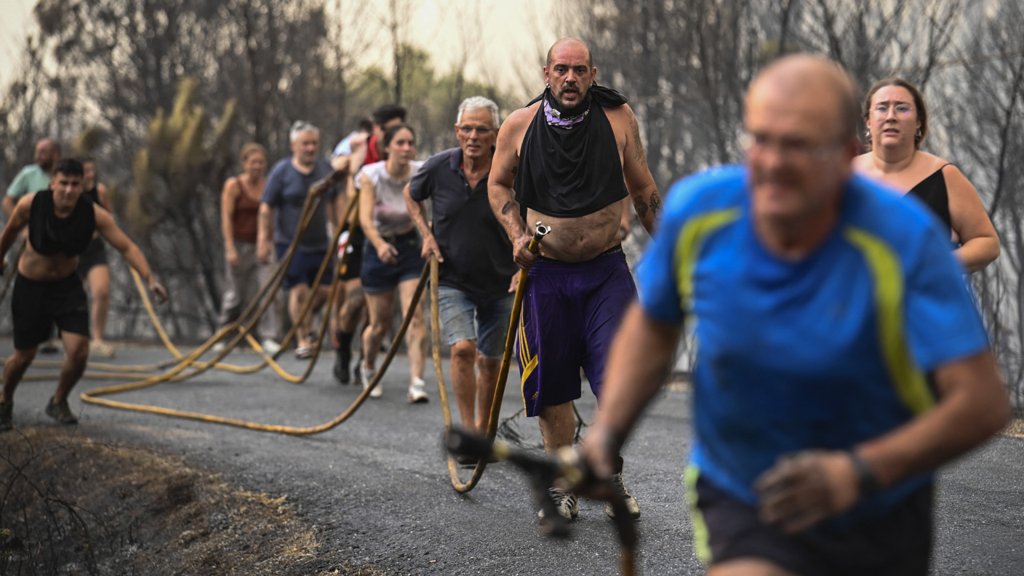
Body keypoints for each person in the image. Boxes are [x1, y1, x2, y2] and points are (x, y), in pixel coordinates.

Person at [580, 54, 1010, 576]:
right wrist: (606, 433)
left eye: (799, 145)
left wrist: (857, 472)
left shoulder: (903, 238)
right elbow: (654, 327)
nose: (774, 162)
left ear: (846, 155)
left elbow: (981, 404)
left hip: (877, 508)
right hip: (747, 493)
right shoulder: (702, 213)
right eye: (761, 139)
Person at [488, 37, 661, 521]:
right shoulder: (519, 125)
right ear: (546, 74)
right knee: (553, 385)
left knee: (619, 379)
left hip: (606, 271)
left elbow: (644, 189)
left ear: (593, 74)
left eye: (579, 70)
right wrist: (516, 235)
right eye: (561, 69)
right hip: (546, 273)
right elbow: (497, 184)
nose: (570, 78)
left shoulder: (619, 118)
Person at [0, 159, 168, 432]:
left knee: (79, 351)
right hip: (31, 286)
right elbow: (8, 234)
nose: (68, 190)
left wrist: (150, 278)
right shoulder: (31, 205)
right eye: (63, 183)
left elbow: (126, 247)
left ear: (82, 186)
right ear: (53, 183)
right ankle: (5, 400)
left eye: (75, 185)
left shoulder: (93, 214)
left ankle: (58, 400)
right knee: (24, 355)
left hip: (66, 286)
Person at [405, 96, 517, 439]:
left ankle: (484, 431)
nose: (473, 136)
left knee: (491, 361)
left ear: (496, 133)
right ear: (456, 131)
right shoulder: (439, 167)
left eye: (482, 129)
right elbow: (411, 195)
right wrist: (426, 235)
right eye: (467, 128)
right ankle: (468, 435)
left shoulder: (511, 170)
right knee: (463, 349)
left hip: (502, 281)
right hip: (451, 277)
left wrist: (522, 262)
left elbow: (533, 213)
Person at [853, 77, 999, 273]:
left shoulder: (943, 175)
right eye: (882, 108)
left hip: (927, 291)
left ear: (918, 122)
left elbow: (987, 243)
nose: (891, 116)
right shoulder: (843, 176)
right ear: (868, 122)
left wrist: (936, 263)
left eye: (902, 108)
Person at [357, 123, 428, 403]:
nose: (406, 148)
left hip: (409, 246)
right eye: (400, 143)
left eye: (410, 143)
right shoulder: (371, 175)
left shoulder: (420, 172)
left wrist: (428, 236)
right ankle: (368, 367)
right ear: (387, 147)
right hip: (378, 247)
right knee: (379, 324)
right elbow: (365, 219)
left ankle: (417, 382)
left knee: (415, 315)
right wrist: (379, 245)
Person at [257, 121, 340, 359]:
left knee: (325, 291)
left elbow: (333, 202)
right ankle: (303, 339)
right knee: (299, 290)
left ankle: (304, 319)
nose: (310, 148)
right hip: (291, 243)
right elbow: (266, 207)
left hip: (320, 243)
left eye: (314, 143)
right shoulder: (282, 171)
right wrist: (264, 240)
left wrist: (337, 233)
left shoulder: (325, 169)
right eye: (305, 143)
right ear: (294, 145)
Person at [216, 143, 281, 354]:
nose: (257, 166)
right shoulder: (234, 185)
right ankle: (224, 333)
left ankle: (268, 336)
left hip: (262, 245)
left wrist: (268, 243)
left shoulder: (268, 185)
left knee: (267, 289)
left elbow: (271, 217)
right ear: (244, 163)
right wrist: (229, 248)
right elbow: (226, 218)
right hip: (238, 243)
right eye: (253, 162)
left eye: (261, 162)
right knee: (234, 293)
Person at [76, 157, 116, 357]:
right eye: (85, 171)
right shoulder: (69, 192)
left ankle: (97, 339)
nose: (89, 175)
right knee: (71, 297)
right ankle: (72, 339)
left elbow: (110, 219)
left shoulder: (99, 191)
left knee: (101, 291)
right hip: (72, 251)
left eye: (92, 170)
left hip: (94, 249)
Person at [3, 137, 60, 218]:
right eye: (37, 152)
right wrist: (19, 223)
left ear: (55, 154)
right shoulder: (28, 173)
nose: (37, 156)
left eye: (43, 152)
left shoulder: (65, 176)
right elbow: (7, 201)